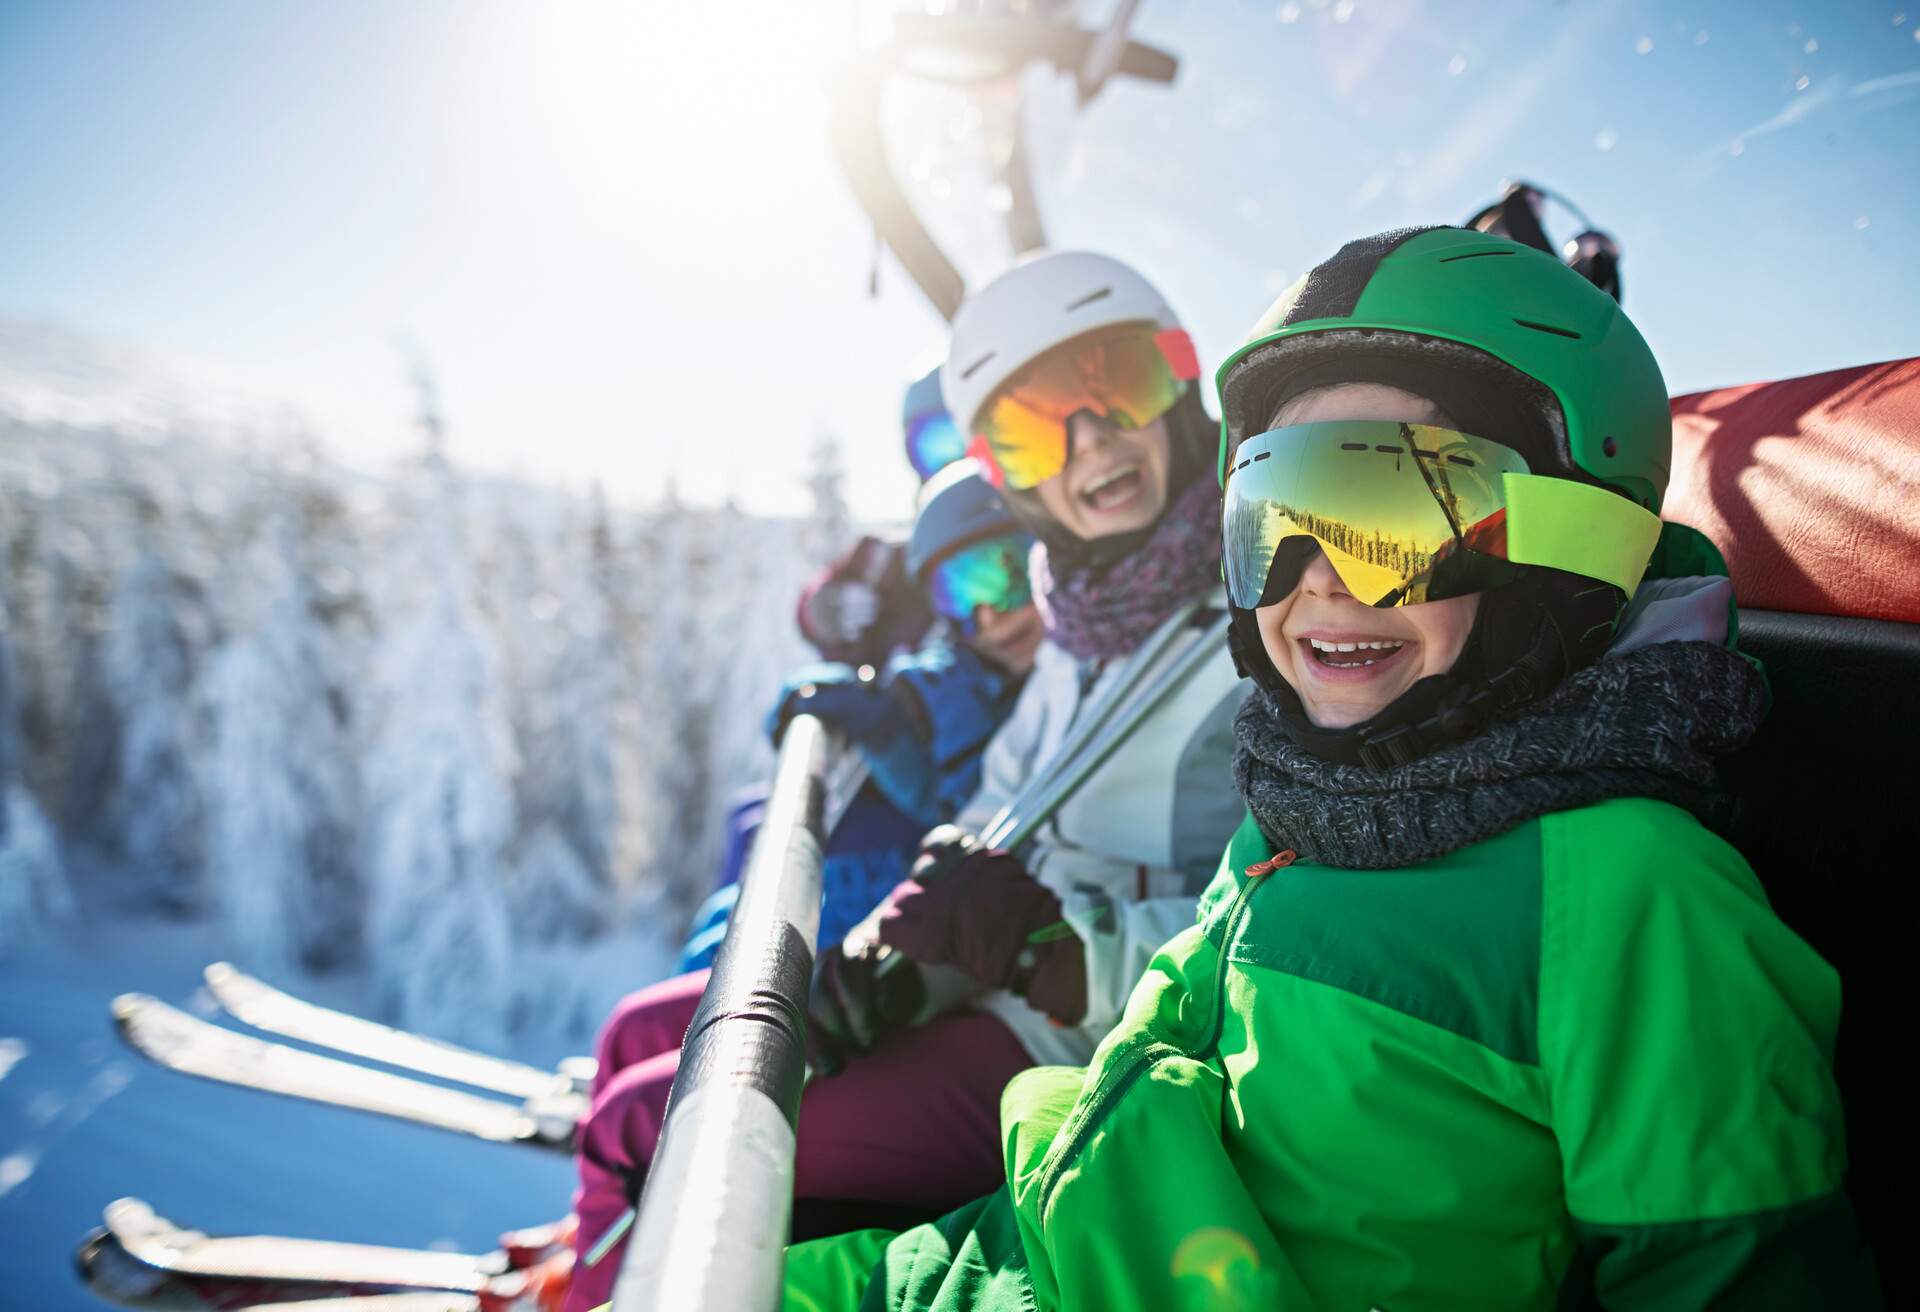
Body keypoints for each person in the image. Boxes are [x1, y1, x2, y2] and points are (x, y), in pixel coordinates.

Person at [778, 226, 1879, 1310]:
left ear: (1569, 536)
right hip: (1027, 1243)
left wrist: (1049, 960)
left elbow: (1733, 1267)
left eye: (1391, 514)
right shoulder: (1308, 794)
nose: (1318, 580)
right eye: (1274, 515)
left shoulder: (1633, 893)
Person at [563, 250, 1248, 1312]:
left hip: (1085, 1038)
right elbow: (998, 806)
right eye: (1032, 425)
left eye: (1117, 381)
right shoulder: (1082, 612)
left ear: (1178, 378)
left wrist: (1054, 948)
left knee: (657, 1127)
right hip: (995, 991)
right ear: (1007, 468)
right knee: (649, 1041)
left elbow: (1267, 914)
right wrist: (906, 940)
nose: (1091, 438)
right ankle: (597, 1270)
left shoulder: (1259, 617)